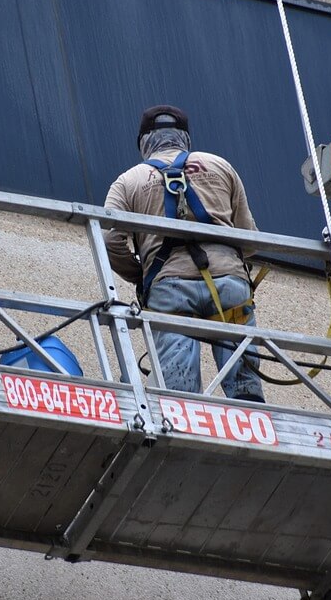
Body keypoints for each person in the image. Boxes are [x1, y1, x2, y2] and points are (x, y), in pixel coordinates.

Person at [103, 105, 263, 402]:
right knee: (245, 392)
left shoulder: (129, 180)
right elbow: (250, 240)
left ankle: (182, 427)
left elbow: (110, 240)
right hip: (229, 284)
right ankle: (251, 424)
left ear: (145, 141)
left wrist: (143, 275)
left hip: (170, 289)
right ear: (185, 138)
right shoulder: (220, 166)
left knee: (179, 398)